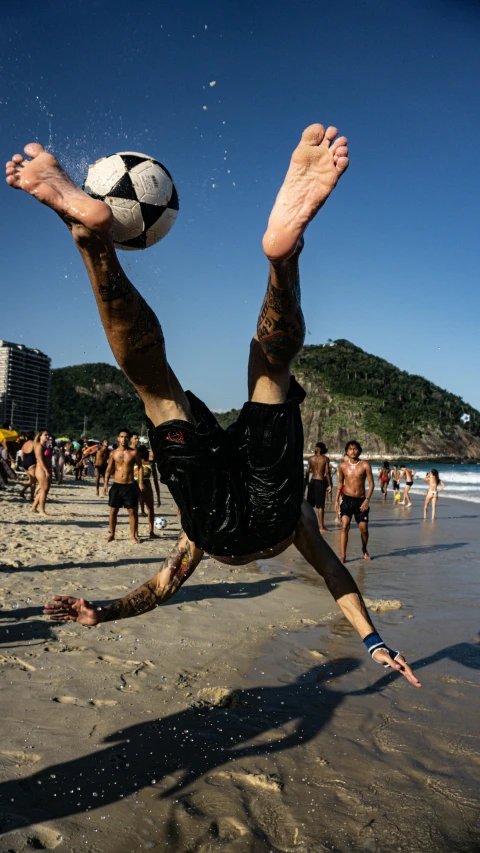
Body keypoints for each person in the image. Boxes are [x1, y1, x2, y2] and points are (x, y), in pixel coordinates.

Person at [6, 124, 419, 686]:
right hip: (245, 522)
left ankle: (273, 257)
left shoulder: (198, 542)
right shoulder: (255, 531)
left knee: (259, 371)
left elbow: (159, 589)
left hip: (237, 520)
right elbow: (333, 574)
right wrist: (372, 640)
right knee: (159, 387)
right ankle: (255, 251)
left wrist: (104, 610)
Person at [335, 441, 374, 562]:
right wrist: (336, 500)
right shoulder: (342, 466)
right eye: (350, 449)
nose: (353, 451)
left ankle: (364, 549)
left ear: (359, 451)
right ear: (347, 451)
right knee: (345, 526)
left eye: (355, 449)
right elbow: (340, 483)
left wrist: (367, 500)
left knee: (363, 529)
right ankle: (343, 555)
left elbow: (372, 484)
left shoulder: (365, 465)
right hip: (347, 500)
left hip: (361, 501)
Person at [103, 429, 144, 544]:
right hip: (116, 485)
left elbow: (140, 467)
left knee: (132, 512)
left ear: (129, 439)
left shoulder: (134, 453)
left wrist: (141, 482)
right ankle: (112, 534)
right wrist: (105, 483)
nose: (124, 439)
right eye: (121, 436)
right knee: (113, 511)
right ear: (118, 438)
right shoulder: (114, 453)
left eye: (126, 437)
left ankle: (133, 536)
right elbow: (109, 469)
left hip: (130, 485)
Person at [305, 442, 332, 532]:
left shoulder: (310, 458)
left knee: (309, 505)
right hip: (320, 482)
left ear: (317, 448)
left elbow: (307, 472)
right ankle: (321, 526)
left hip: (312, 482)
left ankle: (308, 525)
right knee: (320, 506)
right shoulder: (325, 459)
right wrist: (330, 485)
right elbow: (327, 473)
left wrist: (307, 483)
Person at [134, 445, 159, 539]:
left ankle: (136, 532)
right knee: (150, 510)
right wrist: (158, 498)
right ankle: (151, 532)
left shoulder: (135, 463)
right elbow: (156, 482)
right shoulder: (149, 464)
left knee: (135, 511)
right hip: (146, 486)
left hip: (136, 485)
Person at [32, 429, 51, 516]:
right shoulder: (39, 446)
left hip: (46, 469)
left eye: (48, 435)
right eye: (45, 435)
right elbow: (39, 459)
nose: (47, 436)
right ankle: (42, 511)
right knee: (44, 490)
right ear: (40, 436)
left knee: (44, 489)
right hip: (41, 469)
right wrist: (46, 470)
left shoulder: (45, 447)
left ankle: (34, 507)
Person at [20, 431, 37, 501]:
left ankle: (22, 491)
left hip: (25, 463)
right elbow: (37, 454)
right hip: (32, 463)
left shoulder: (24, 444)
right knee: (33, 481)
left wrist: (24, 462)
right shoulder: (34, 444)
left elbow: (22, 456)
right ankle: (32, 497)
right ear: (33, 436)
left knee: (30, 480)